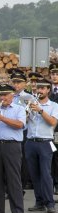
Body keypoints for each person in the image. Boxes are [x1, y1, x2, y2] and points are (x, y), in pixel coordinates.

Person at [0, 84, 26, 213]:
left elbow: (20, 125)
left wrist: (2, 118)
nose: (2, 97)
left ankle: (17, 211)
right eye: (0, 95)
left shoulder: (19, 109)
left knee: (13, 178)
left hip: (12, 146)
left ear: (12, 96)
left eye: (5, 95)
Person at [25, 78, 58, 213]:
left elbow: (52, 122)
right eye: (38, 88)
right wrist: (26, 112)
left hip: (45, 142)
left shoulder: (54, 106)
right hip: (31, 142)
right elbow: (23, 122)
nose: (39, 90)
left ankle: (50, 203)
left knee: (45, 174)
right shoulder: (31, 103)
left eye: (43, 88)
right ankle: (39, 202)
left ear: (48, 90)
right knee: (34, 174)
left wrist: (40, 110)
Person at [10, 70, 32, 191]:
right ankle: (10, 187)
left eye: (19, 82)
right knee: (10, 161)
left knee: (22, 160)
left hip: (23, 131)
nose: (16, 85)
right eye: (14, 82)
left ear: (25, 84)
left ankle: (20, 187)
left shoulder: (29, 97)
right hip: (9, 130)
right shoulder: (9, 95)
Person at [49, 63, 58, 195]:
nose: (55, 76)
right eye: (53, 74)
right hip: (50, 128)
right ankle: (54, 184)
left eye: (57, 74)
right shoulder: (46, 92)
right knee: (53, 155)